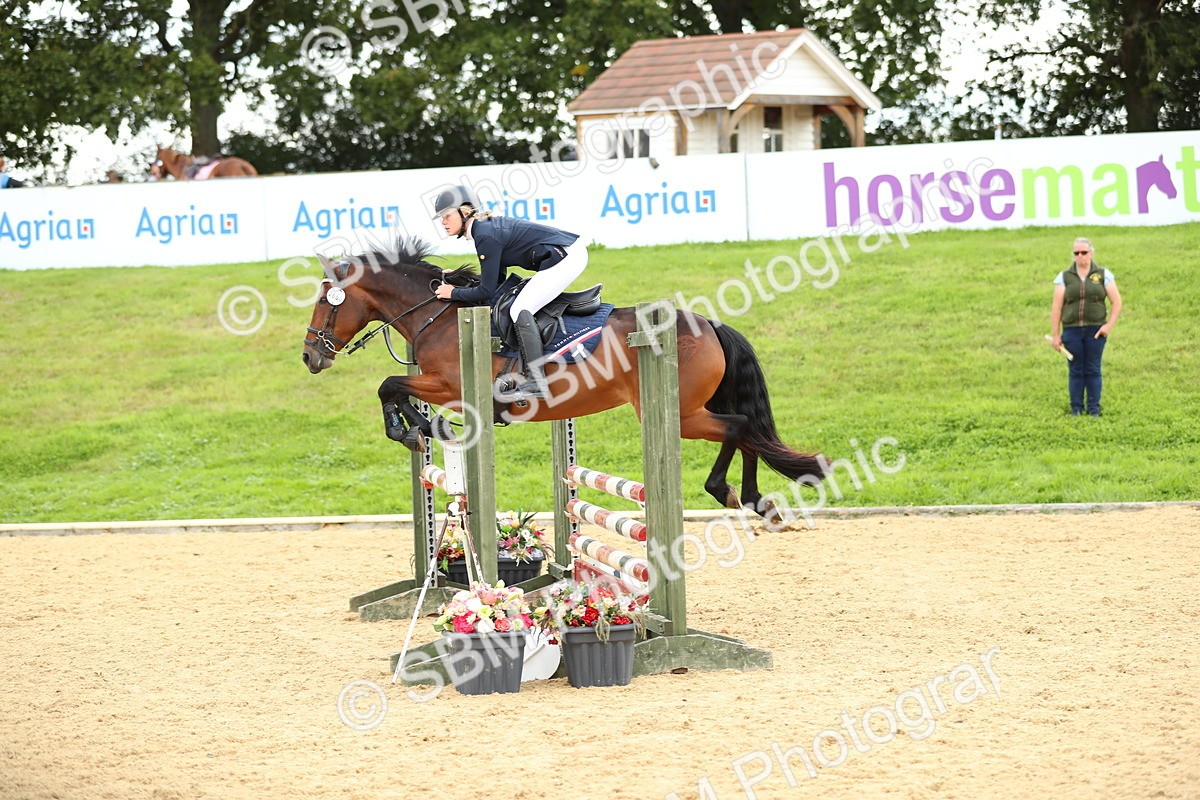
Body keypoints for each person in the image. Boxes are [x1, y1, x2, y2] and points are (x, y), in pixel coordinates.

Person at [431, 184, 587, 400]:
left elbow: (486, 291)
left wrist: (453, 293)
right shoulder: (482, 231)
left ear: (464, 212)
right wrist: (458, 281)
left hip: (567, 257)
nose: (443, 222)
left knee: (519, 309)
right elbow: (495, 282)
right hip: (564, 254)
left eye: (446, 216)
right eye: (441, 217)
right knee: (518, 305)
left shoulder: (485, 236)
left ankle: (536, 382)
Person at [1049, 237, 1123, 416]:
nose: (1080, 256)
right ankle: (1076, 409)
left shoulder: (1104, 275)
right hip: (1072, 331)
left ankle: (1093, 409)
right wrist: (1056, 335)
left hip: (1096, 330)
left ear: (1091, 253)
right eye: (1076, 253)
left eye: (1084, 252)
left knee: (1093, 369)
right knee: (1076, 370)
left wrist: (1108, 326)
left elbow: (1117, 302)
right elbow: (1057, 307)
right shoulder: (1064, 277)